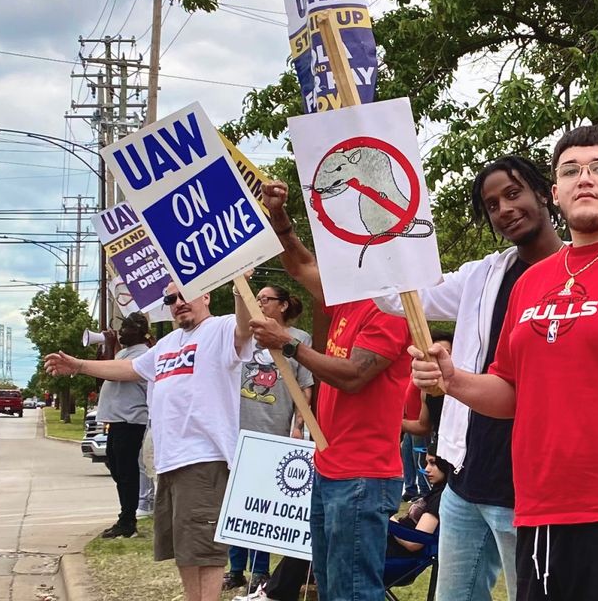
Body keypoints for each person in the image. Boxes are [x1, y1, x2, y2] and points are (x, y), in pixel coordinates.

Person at [411, 126, 598, 601]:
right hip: (540, 515)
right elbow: (510, 393)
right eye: (570, 171)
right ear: (556, 193)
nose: (585, 178)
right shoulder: (529, 282)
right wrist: (453, 379)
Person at [377, 154, 564, 601]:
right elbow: (396, 299)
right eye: (492, 204)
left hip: (532, 484)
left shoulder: (579, 272)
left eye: (514, 194)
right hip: (468, 478)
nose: (505, 209)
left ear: (544, 193)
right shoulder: (483, 276)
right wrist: (376, 230)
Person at [249, 179, 412, 601]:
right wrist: (278, 216)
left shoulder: (389, 307)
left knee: (352, 592)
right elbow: (299, 264)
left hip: (362, 475)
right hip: (330, 466)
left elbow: (355, 375)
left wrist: (289, 344)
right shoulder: (346, 297)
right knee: (330, 586)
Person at [45, 283, 251, 601]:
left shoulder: (220, 329)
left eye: (185, 294)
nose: (178, 302)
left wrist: (239, 287)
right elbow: (130, 367)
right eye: (171, 298)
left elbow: (245, 328)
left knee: (205, 549)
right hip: (169, 461)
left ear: (206, 294)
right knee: (182, 548)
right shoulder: (167, 344)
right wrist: (80, 366)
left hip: (204, 458)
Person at [225, 284, 315, 594]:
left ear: (283, 305)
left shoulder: (299, 339)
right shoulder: (245, 335)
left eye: (266, 299)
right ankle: (235, 568)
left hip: (274, 431)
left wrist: (298, 425)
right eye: (258, 298)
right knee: (237, 502)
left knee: (261, 504)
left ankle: (260, 569)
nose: (260, 303)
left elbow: (305, 386)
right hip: (239, 431)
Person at [93, 311, 152, 539]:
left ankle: (127, 521)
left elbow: (111, 374)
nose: (121, 332)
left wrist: (109, 345)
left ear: (139, 332)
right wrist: (107, 348)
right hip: (117, 421)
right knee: (117, 467)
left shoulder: (143, 355)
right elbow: (101, 376)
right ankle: (126, 515)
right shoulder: (124, 353)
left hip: (131, 420)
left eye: (126, 327)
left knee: (126, 472)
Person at [388, 452, 453, 557]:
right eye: (426, 463)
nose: (426, 469)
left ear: (445, 463)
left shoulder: (441, 497)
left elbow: (415, 542)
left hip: (397, 552)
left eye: (433, 463)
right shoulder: (436, 492)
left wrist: (389, 519)